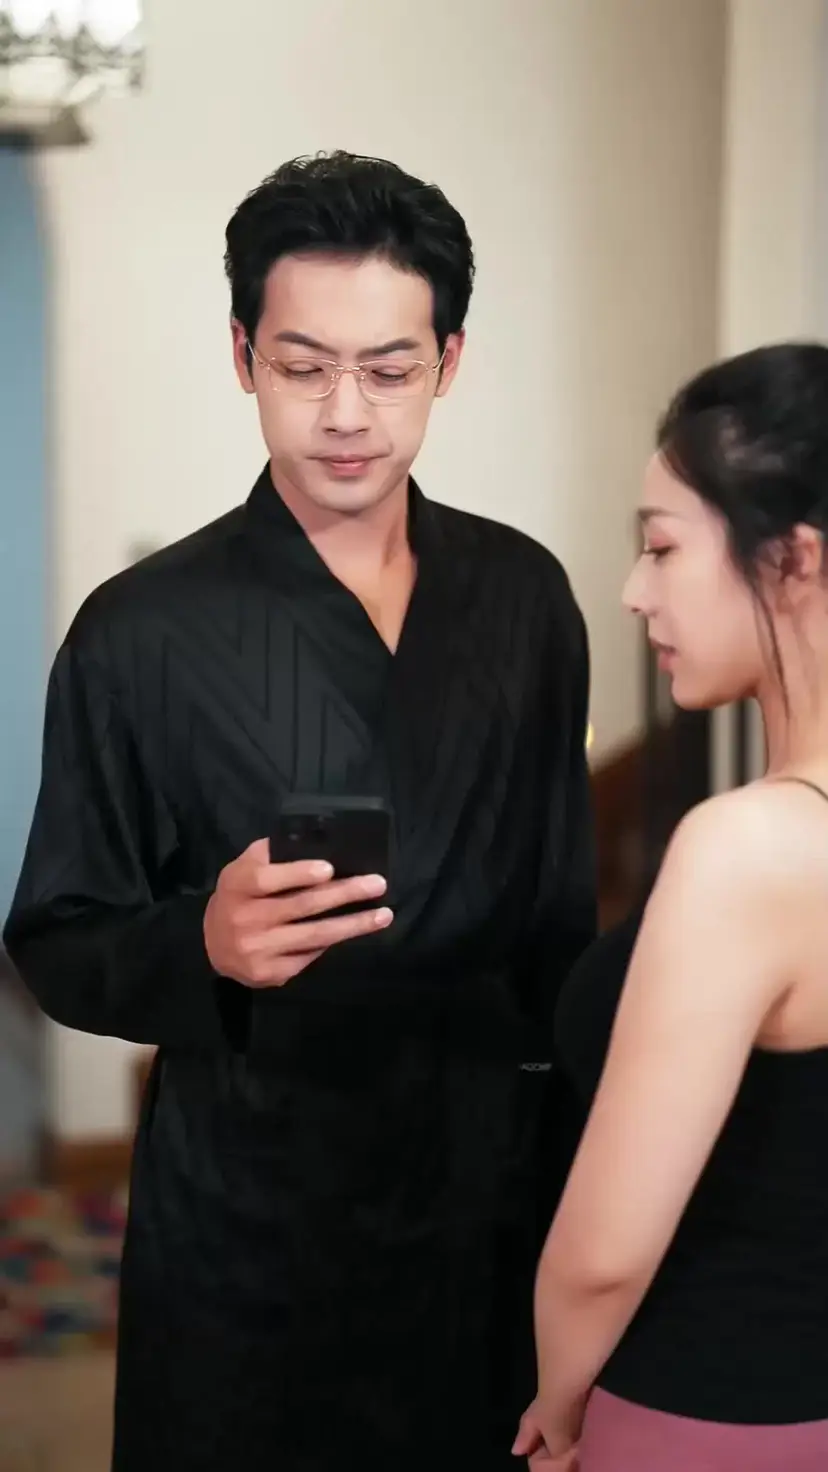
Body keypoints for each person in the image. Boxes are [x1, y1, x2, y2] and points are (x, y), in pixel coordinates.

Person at [3, 151, 596, 1472]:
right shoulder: (142, 630)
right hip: (251, 1212)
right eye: (302, 365)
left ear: (449, 362)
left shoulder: (522, 598)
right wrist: (200, 943)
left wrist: (587, 1193)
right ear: (242, 355)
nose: (344, 414)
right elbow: (59, 934)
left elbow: (561, 919)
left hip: (486, 1194)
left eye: (388, 369)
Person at [513, 342, 828, 1472]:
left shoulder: (748, 850)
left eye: (661, 546)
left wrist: (556, 1402)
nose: (634, 589)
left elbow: (603, 1254)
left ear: (792, 558)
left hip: (709, 1418)